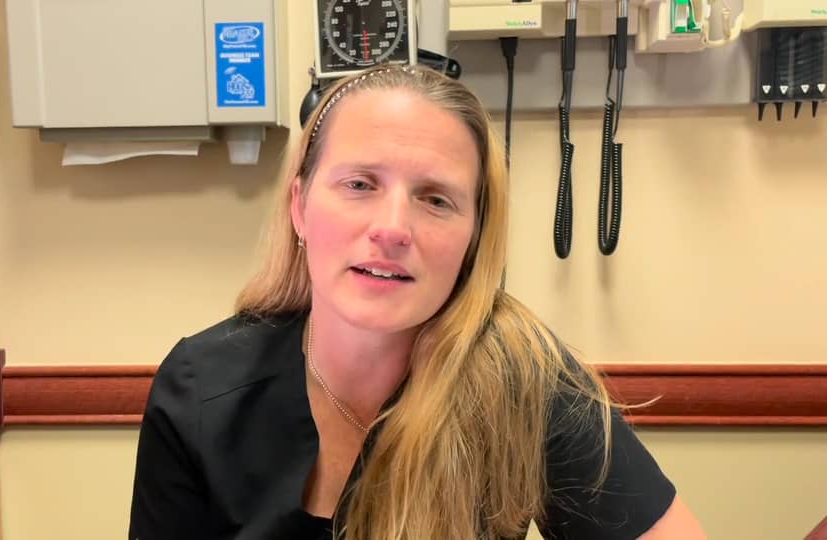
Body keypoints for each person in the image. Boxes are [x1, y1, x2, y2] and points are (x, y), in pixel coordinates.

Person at [128, 64, 706, 540]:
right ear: (299, 206)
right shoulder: (200, 386)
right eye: (360, 184)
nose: (393, 228)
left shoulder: (526, 379)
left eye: (435, 199)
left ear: (474, 236)